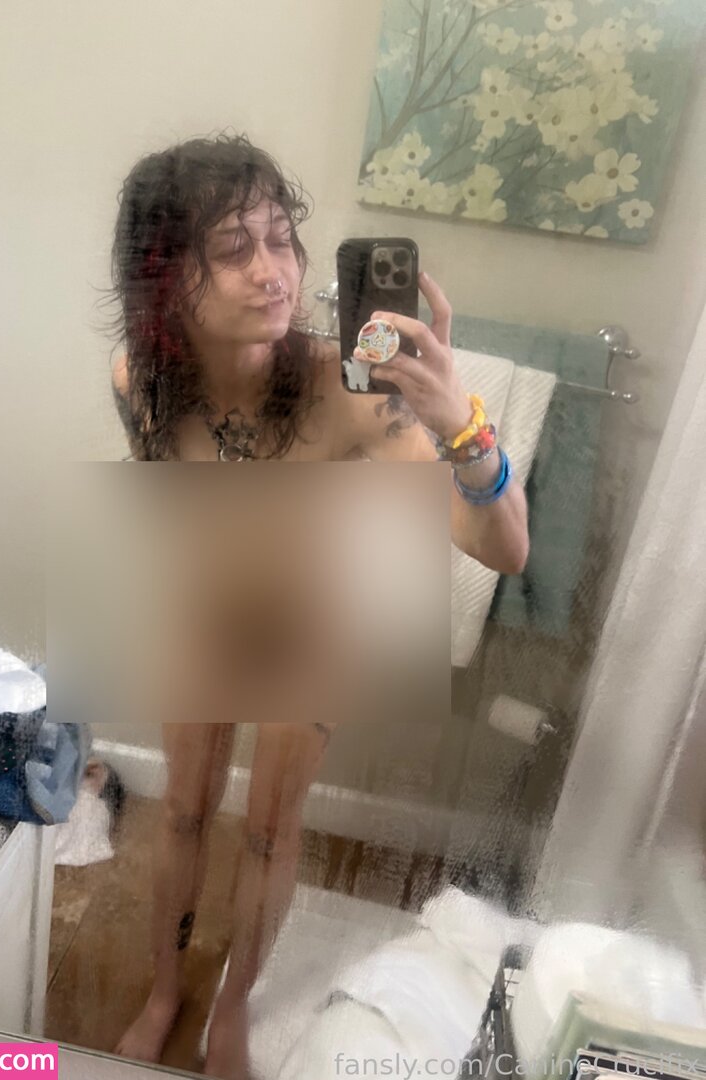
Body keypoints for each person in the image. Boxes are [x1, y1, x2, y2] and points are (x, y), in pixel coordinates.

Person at [106, 133, 529, 1078]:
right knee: (181, 811)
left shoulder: (350, 396)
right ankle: (166, 988)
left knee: (269, 830)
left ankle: (232, 1008)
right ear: (163, 278)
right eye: (233, 247)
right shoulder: (140, 380)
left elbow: (502, 547)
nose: (275, 271)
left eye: (281, 238)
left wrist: (461, 426)